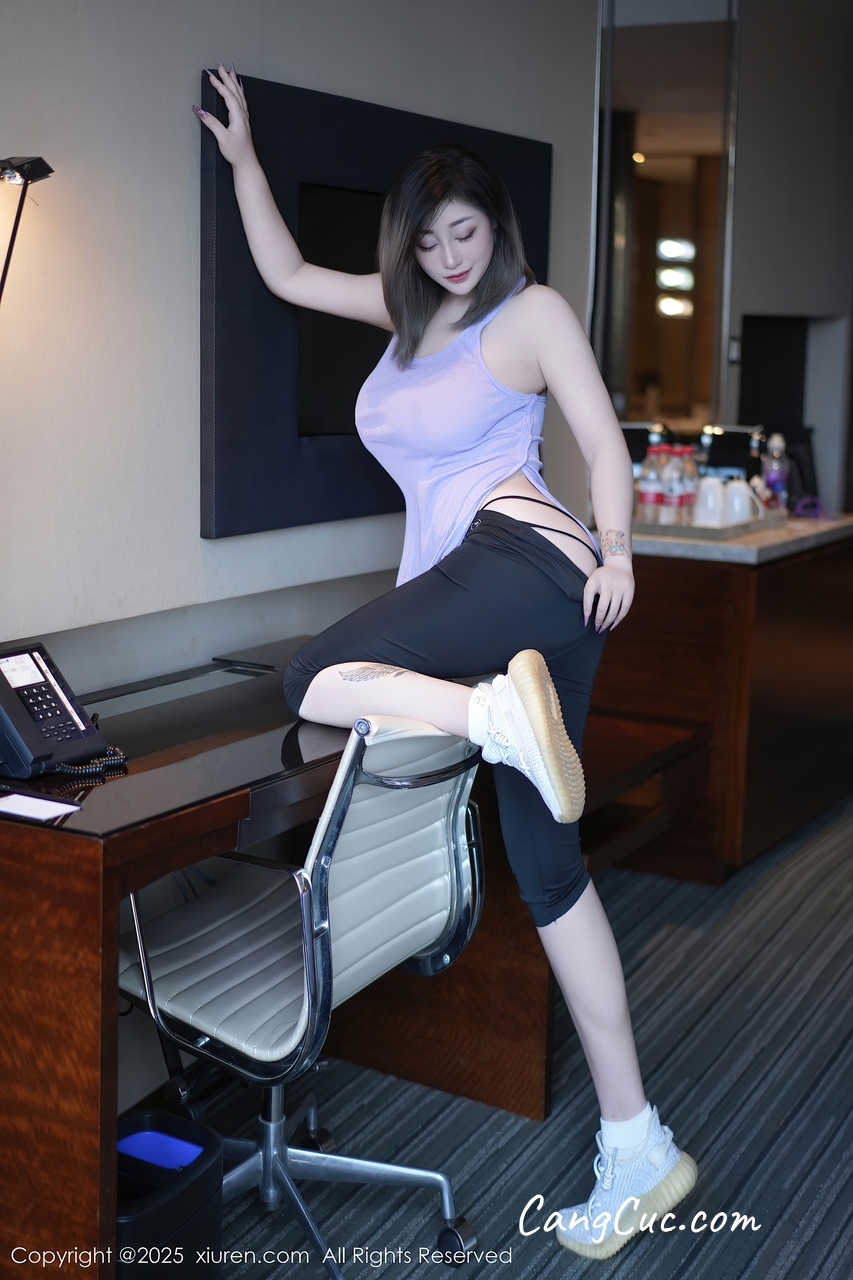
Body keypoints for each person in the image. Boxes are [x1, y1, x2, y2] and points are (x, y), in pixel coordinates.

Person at [195, 63, 697, 1259]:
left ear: (495, 227)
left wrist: (621, 548)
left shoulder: (529, 312)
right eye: (429, 240)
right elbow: (286, 274)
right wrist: (244, 160)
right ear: (407, 247)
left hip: (527, 560)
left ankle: (492, 714)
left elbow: (601, 440)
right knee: (549, 866)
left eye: (466, 232)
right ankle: (640, 1143)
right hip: (498, 599)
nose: (452, 256)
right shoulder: (406, 313)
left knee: (310, 678)